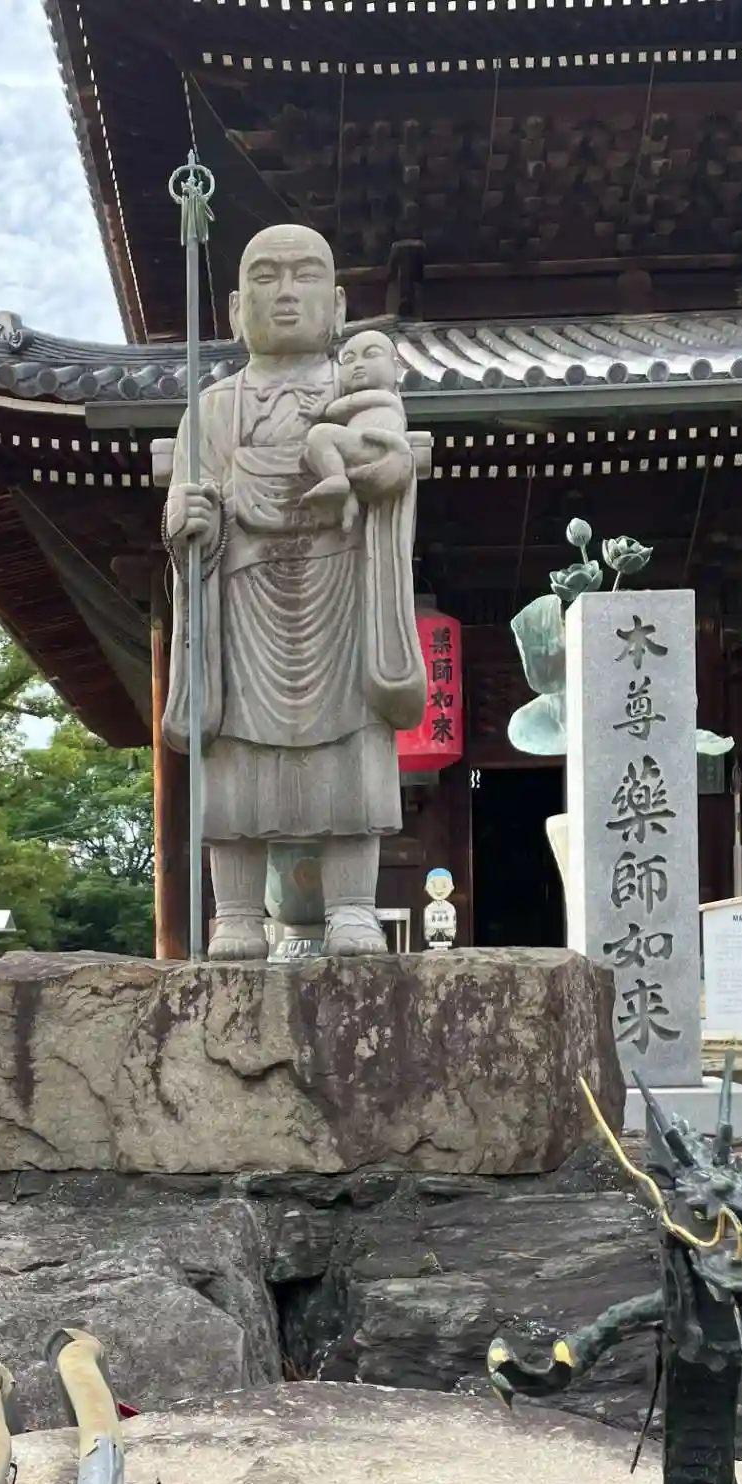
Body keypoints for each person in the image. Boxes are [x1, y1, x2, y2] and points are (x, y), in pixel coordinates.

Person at [162, 225, 425, 960]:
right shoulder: (211, 409)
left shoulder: (360, 392)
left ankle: (352, 907)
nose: (285, 293)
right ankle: (237, 912)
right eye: (266, 277)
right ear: (233, 309)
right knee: (235, 751)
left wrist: (388, 475)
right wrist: (186, 522)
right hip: (241, 599)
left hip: (342, 588)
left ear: (337, 305)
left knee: (351, 742)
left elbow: (390, 465)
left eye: (304, 275)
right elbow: (187, 509)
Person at [302, 330, 407, 534]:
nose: (358, 364)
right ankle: (347, 496)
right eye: (349, 359)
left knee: (319, 434)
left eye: (371, 355)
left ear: (396, 368)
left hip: (374, 446)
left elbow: (337, 410)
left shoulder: (384, 396)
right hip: (359, 447)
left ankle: (338, 479)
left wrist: (323, 408)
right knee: (310, 453)